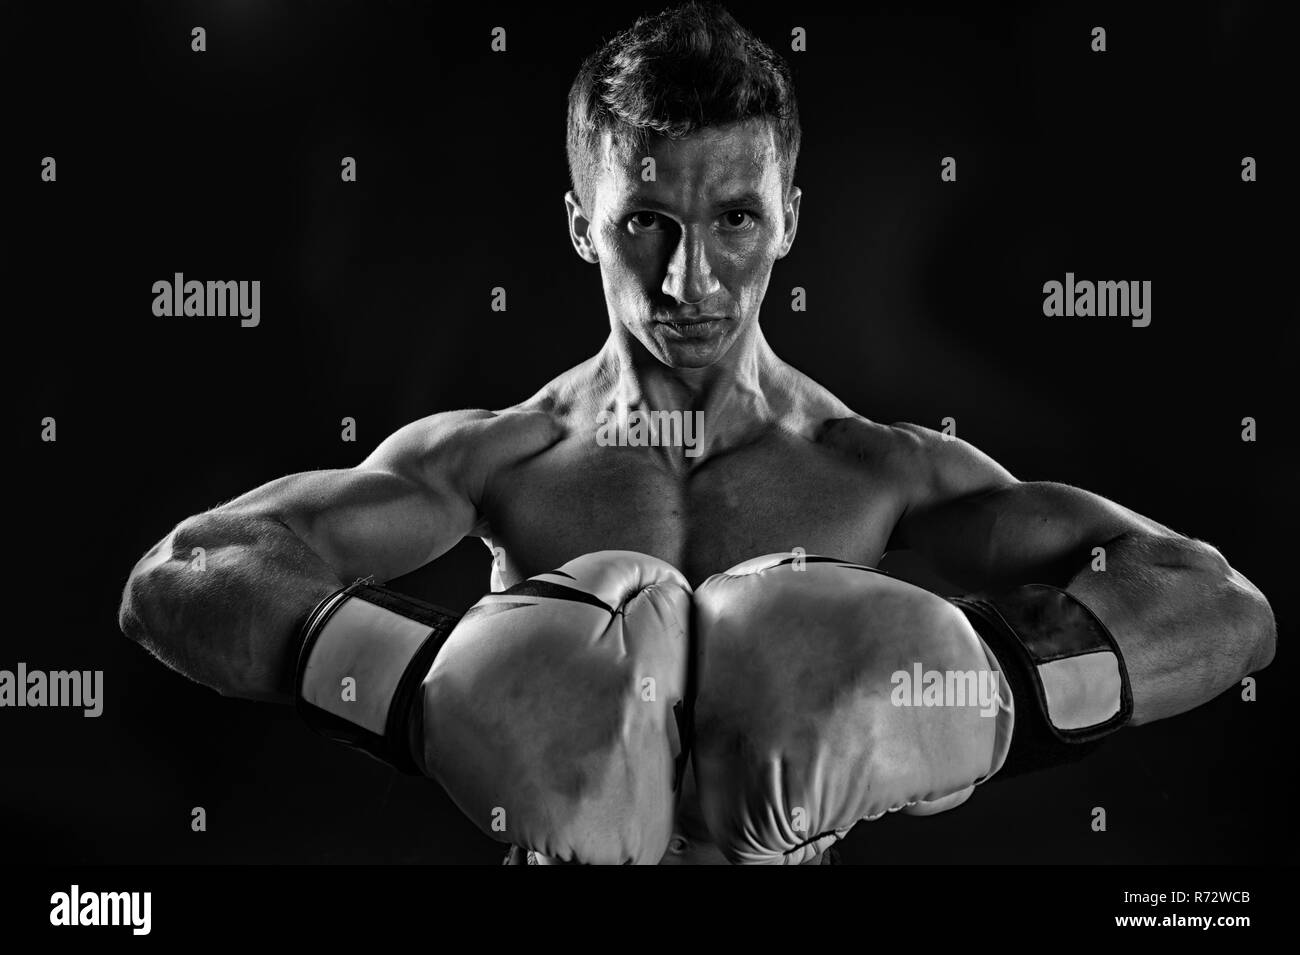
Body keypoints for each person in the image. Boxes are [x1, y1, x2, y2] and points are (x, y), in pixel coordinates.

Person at [118, 3, 1275, 865]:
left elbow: (1217, 604)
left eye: (733, 219)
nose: (690, 277)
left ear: (789, 221)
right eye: (646, 225)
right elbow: (185, 574)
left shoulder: (881, 467)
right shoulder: (495, 456)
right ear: (582, 225)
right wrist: (425, 691)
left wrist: (993, 693)